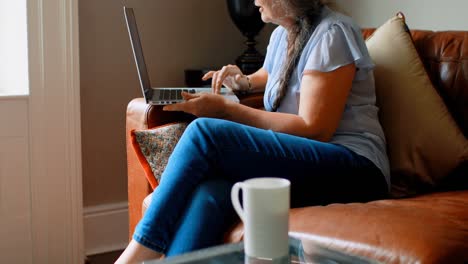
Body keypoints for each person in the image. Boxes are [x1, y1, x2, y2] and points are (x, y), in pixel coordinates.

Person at [116, 0, 390, 263]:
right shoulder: (284, 35)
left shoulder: (333, 34)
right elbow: (273, 76)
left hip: (355, 169)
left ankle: (142, 247)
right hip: (311, 163)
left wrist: (226, 110)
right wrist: (242, 81)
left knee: (206, 134)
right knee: (212, 192)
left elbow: (315, 128)